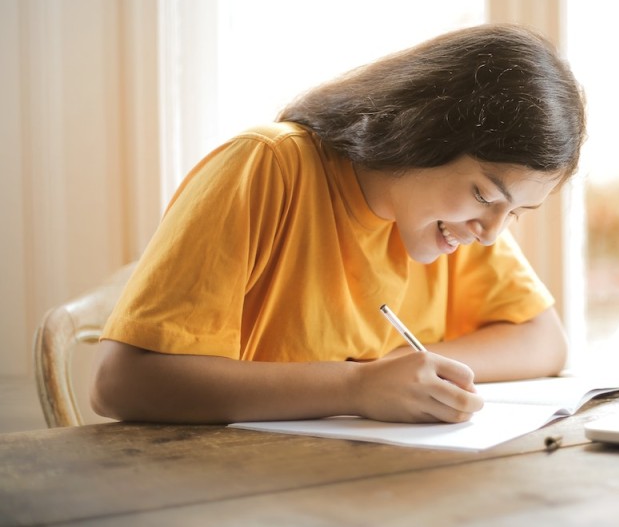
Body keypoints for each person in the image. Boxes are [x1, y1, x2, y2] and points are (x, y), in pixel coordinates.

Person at [91, 24, 586, 426]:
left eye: (515, 213)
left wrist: (405, 370)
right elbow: (120, 383)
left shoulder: (456, 222)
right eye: (484, 195)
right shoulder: (267, 167)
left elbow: (544, 340)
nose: (492, 232)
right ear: (422, 133)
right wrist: (357, 387)